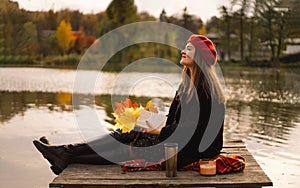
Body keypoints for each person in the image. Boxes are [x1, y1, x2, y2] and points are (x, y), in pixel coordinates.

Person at [33, 34, 226, 175]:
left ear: (199, 57)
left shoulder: (204, 92)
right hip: (182, 142)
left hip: (194, 151)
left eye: (189, 48)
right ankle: (65, 153)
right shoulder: (187, 86)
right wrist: (153, 118)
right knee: (130, 131)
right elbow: (179, 122)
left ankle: (65, 154)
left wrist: (156, 131)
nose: (183, 50)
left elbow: (186, 130)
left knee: (129, 145)